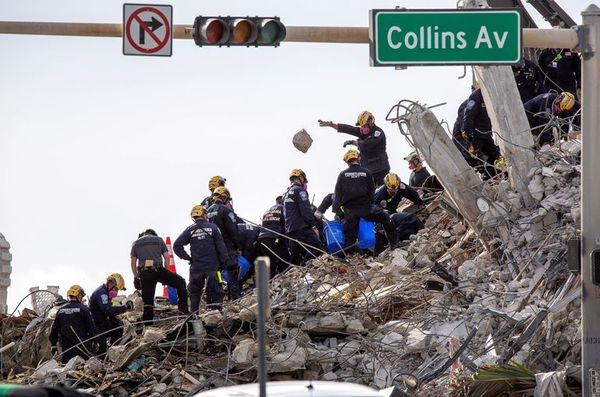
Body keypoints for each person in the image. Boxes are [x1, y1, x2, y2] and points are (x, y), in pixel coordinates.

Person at [333, 150, 397, 252]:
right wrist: (371, 206)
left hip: (350, 209)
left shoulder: (342, 174)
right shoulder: (366, 172)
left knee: (350, 236)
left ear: (347, 161)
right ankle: (394, 244)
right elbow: (372, 192)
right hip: (365, 207)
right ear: (358, 158)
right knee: (385, 217)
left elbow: (337, 194)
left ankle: (350, 258)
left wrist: (337, 211)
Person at [174, 205, 231, 313]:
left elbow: (176, 246)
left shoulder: (189, 230)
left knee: (194, 293)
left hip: (196, 268)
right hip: (213, 267)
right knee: (216, 290)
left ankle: (194, 317)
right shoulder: (213, 227)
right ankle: (216, 313)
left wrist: (187, 257)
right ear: (204, 214)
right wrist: (224, 262)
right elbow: (221, 247)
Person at [130, 229, 188, 323]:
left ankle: (148, 325)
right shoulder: (159, 240)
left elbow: (133, 263)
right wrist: (166, 273)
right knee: (181, 282)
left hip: (145, 273)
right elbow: (167, 257)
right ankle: (183, 312)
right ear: (154, 234)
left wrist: (136, 277)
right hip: (159, 269)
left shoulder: (136, 243)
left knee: (148, 301)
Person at [319, 111, 390, 186]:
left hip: (381, 170)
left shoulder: (378, 133)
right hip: (368, 169)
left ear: (370, 122)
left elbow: (367, 144)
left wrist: (352, 142)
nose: (362, 128)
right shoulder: (363, 133)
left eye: (364, 126)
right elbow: (349, 129)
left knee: (383, 191)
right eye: (361, 126)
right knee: (368, 193)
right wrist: (332, 125)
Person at [207, 186, 242, 300]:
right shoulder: (226, 210)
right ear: (225, 197)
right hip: (227, 247)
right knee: (233, 271)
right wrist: (238, 246)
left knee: (217, 274)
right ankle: (234, 299)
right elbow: (233, 230)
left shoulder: (207, 212)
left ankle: (215, 300)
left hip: (213, 249)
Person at [283, 169, 323, 265]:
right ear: (300, 178)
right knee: (316, 245)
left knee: (295, 257)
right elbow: (305, 210)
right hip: (301, 227)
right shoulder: (300, 190)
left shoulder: (286, 194)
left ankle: (294, 276)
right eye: (304, 180)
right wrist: (313, 225)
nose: (304, 183)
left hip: (290, 229)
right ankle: (304, 268)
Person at [49, 285, 97, 364]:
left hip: (67, 348)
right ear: (79, 295)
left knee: (67, 370)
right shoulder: (84, 309)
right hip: (83, 347)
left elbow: (54, 330)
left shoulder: (60, 311)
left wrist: (53, 345)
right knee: (85, 369)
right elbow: (91, 328)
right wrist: (96, 341)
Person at [461, 88, 501, 179]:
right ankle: (483, 177)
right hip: (476, 134)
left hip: (486, 133)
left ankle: (490, 176)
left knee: (495, 154)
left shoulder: (491, 94)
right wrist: (468, 132)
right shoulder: (476, 96)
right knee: (478, 159)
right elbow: (469, 114)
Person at [89, 273, 131, 356]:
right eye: (116, 289)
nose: (116, 292)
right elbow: (108, 310)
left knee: (118, 326)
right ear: (110, 283)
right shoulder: (101, 293)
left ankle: (114, 351)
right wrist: (124, 308)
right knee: (101, 353)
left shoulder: (104, 292)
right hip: (97, 326)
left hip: (103, 323)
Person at [256, 196, 290, 277]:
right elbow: (287, 223)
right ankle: (287, 280)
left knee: (271, 265)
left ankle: (271, 285)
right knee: (285, 262)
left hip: (262, 240)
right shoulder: (284, 208)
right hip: (276, 238)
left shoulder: (267, 211)